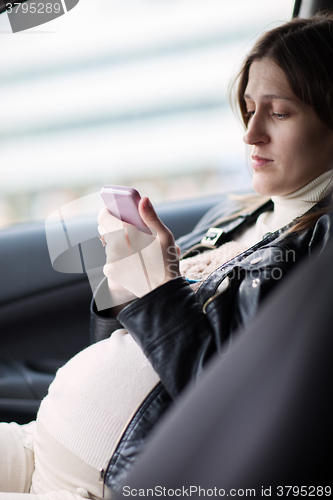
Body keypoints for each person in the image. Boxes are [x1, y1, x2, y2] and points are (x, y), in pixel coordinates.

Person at [1, 13, 333, 500]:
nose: (251, 134)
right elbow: (133, 350)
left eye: (279, 113)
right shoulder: (237, 215)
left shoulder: (318, 260)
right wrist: (126, 282)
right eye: (248, 109)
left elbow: (235, 412)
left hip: (99, 485)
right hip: (42, 442)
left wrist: (157, 291)